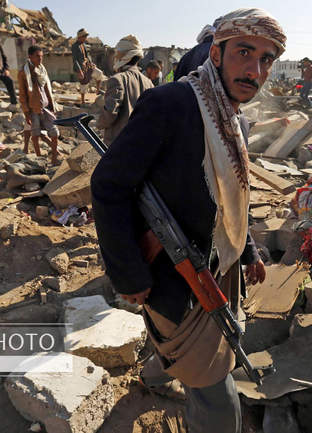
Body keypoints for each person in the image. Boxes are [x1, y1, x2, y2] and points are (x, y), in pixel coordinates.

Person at [91, 8, 284, 433]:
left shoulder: (234, 118)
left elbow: (234, 198)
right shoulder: (172, 103)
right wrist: (128, 273)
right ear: (216, 54)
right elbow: (108, 185)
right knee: (218, 396)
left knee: (200, 347)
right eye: (244, 52)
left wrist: (248, 251)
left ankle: (154, 375)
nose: (254, 71)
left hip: (220, 268)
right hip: (173, 277)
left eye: (266, 59)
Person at [96, 35, 153, 145]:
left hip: (119, 144)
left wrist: (99, 123)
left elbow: (110, 113)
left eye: (118, 55)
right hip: (140, 143)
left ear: (125, 57)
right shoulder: (148, 83)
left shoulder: (117, 79)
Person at [18, 45, 61, 165]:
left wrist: (52, 106)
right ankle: (40, 159)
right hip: (33, 109)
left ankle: (54, 158)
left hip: (46, 108)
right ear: (30, 56)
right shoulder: (24, 72)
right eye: (37, 56)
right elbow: (22, 94)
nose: (40, 58)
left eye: (41, 56)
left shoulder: (42, 70)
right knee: (35, 135)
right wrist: (26, 113)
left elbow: (47, 89)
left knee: (54, 133)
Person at [71, 28, 93, 104]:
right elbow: (75, 60)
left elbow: (87, 56)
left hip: (87, 65)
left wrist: (91, 63)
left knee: (99, 74)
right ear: (80, 37)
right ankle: (83, 101)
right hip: (81, 67)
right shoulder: (75, 46)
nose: (85, 38)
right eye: (84, 37)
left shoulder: (84, 45)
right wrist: (79, 70)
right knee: (83, 83)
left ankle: (97, 91)